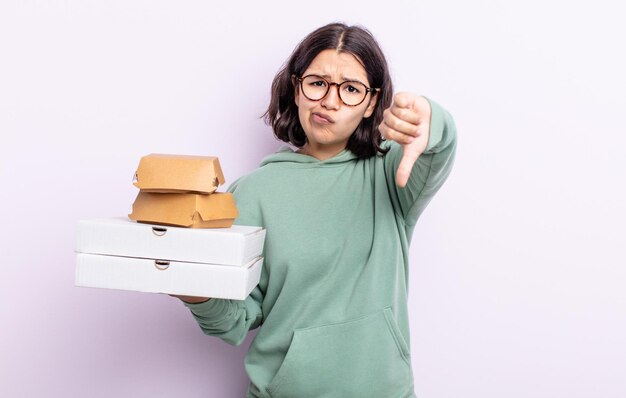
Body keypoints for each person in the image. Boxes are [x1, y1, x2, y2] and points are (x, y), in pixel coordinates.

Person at [174, 22, 457, 398]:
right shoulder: (253, 192)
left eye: (351, 89)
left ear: (372, 102)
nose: (330, 101)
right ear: (297, 88)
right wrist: (195, 291)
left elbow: (438, 147)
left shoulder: (390, 173)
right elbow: (236, 320)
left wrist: (430, 119)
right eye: (318, 82)